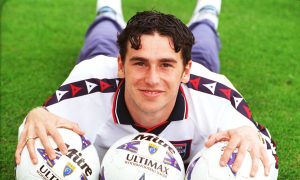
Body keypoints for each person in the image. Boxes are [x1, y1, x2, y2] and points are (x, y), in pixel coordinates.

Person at [15, 0, 278, 178]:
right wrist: (37, 113)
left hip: (195, 84)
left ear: (186, 70)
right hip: (105, 71)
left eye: (165, 65)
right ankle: (108, 8)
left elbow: (262, 146)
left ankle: (207, 13)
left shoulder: (217, 100)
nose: (152, 79)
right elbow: (38, 126)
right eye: (140, 63)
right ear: (121, 65)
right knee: (101, 40)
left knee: (205, 48)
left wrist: (252, 135)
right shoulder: (89, 84)